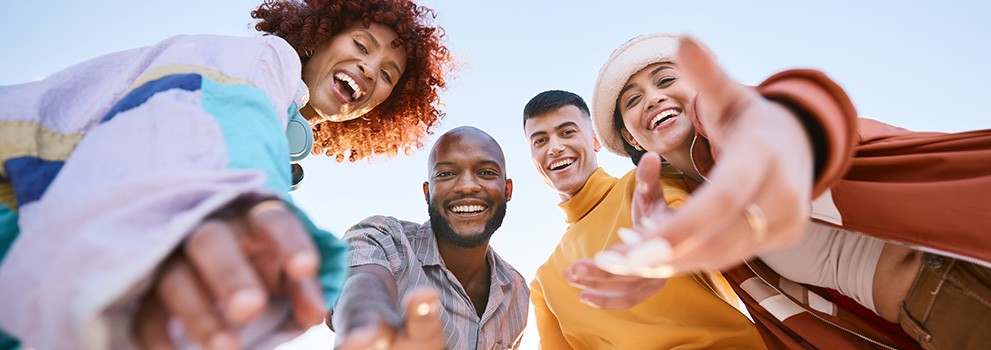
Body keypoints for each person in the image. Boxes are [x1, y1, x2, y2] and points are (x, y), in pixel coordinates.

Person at [0, 0, 452, 348]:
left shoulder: (278, 128)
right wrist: (234, 201)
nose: (370, 71)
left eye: (388, 75)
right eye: (360, 46)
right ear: (323, 34)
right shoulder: (263, 62)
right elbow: (222, 117)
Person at [583, 33, 991, 349]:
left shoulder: (735, 118)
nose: (653, 98)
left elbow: (793, 112)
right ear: (631, 139)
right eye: (633, 100)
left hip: (966, 272)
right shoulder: (692, 208)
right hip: (931, 320)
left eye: (666, 79)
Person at [521, 90, 766, 349]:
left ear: (595, 141)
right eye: (540, 141)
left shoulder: (648, 183)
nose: (555, 147)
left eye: (567, 132)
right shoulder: (545, 283)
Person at [330, 126, 528, 349]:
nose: (467, 186)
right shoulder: (383, 238)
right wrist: (368, 324)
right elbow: (361, 281)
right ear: (428, 193)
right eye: (446, 174)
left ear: (507, 189)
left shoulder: (517, 292)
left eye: (486, 173)